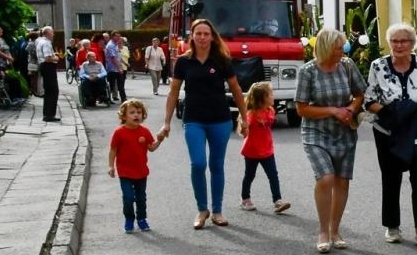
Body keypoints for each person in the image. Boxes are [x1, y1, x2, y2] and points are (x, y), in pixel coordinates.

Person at [159, 18, 249, 229]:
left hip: (220, 119)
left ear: (212, 37)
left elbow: (236, 90)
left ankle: (217, 211)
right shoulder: (183, 62)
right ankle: (202, 209)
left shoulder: (222, 60)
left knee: (216, 165)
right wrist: (167, 122)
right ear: (192, 36)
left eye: (206, 34)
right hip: (194, 119)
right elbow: (173, 93)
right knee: (198, 164)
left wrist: (245, 118)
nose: (202, 37)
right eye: (198, 33)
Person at [365, 22, 417, 248]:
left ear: (412, 44)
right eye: (394, 41)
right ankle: (392, 226)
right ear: (389, 43)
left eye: (404, 41)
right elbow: (369, 100)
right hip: (388, 131)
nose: (399, 45)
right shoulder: (378, 66)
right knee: (391, 178)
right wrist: (391, 113)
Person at [295, 28, 365, 253]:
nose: (341, 51)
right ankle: (323, 231)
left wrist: (351, 109)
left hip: (344, 131)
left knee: (342, 181)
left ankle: (335, 230)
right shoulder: (308, 71)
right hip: (316, 132)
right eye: (338, 47)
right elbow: (302, 108)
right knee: (326, 178)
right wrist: (334, 111)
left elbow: (360, 93)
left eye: (342, 47)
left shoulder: (347, 65)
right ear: (326, 47)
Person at [108, 98, 162, 232]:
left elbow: (151, 148)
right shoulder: (119, 132)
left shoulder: (145, 131)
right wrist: (110, 166)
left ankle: (142, 219)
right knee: (128, 197)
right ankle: (129, 219)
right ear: (124, 116)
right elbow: (113, 150)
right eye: (132, 112)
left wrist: (160, 140)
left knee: (141, 198)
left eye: (139, 112)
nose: (136, 115)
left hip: (141, 171)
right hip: (125, 171)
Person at [239, 81, 290, 214]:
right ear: (262, 98)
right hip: (252, 151)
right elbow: (244, 129)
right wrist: (244, 127)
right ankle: (245, 198)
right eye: (270, 94)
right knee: (249, 175)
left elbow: (269, 122)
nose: (273, 96)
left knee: (273, 175)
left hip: (267, 150)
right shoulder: (251, 114)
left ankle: (277, 201)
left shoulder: (270, 111)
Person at [36, 27, 61, 122]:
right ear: (47, 33)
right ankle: (49, 115)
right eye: (52, 33)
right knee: (53, 91)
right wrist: (56, 58)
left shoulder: (40, 42)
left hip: (43, 66)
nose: (53, 34)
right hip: (48, 66)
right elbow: (47, 58)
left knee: (48, 91)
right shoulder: (46, 43)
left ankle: (47, 114)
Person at [103, 31, 125, 103]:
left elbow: (118, 56)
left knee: (121, 85)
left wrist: (121, 65)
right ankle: (107, 99)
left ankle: (123, 99)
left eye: (119, 36)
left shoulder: (115, 44)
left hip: (117, 68)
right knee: (111, 86)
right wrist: (119, 68)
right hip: (112, 69)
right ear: (113, 37)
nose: (119, 38)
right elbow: (113, 58)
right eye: (117, 36)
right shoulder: (110, 45)